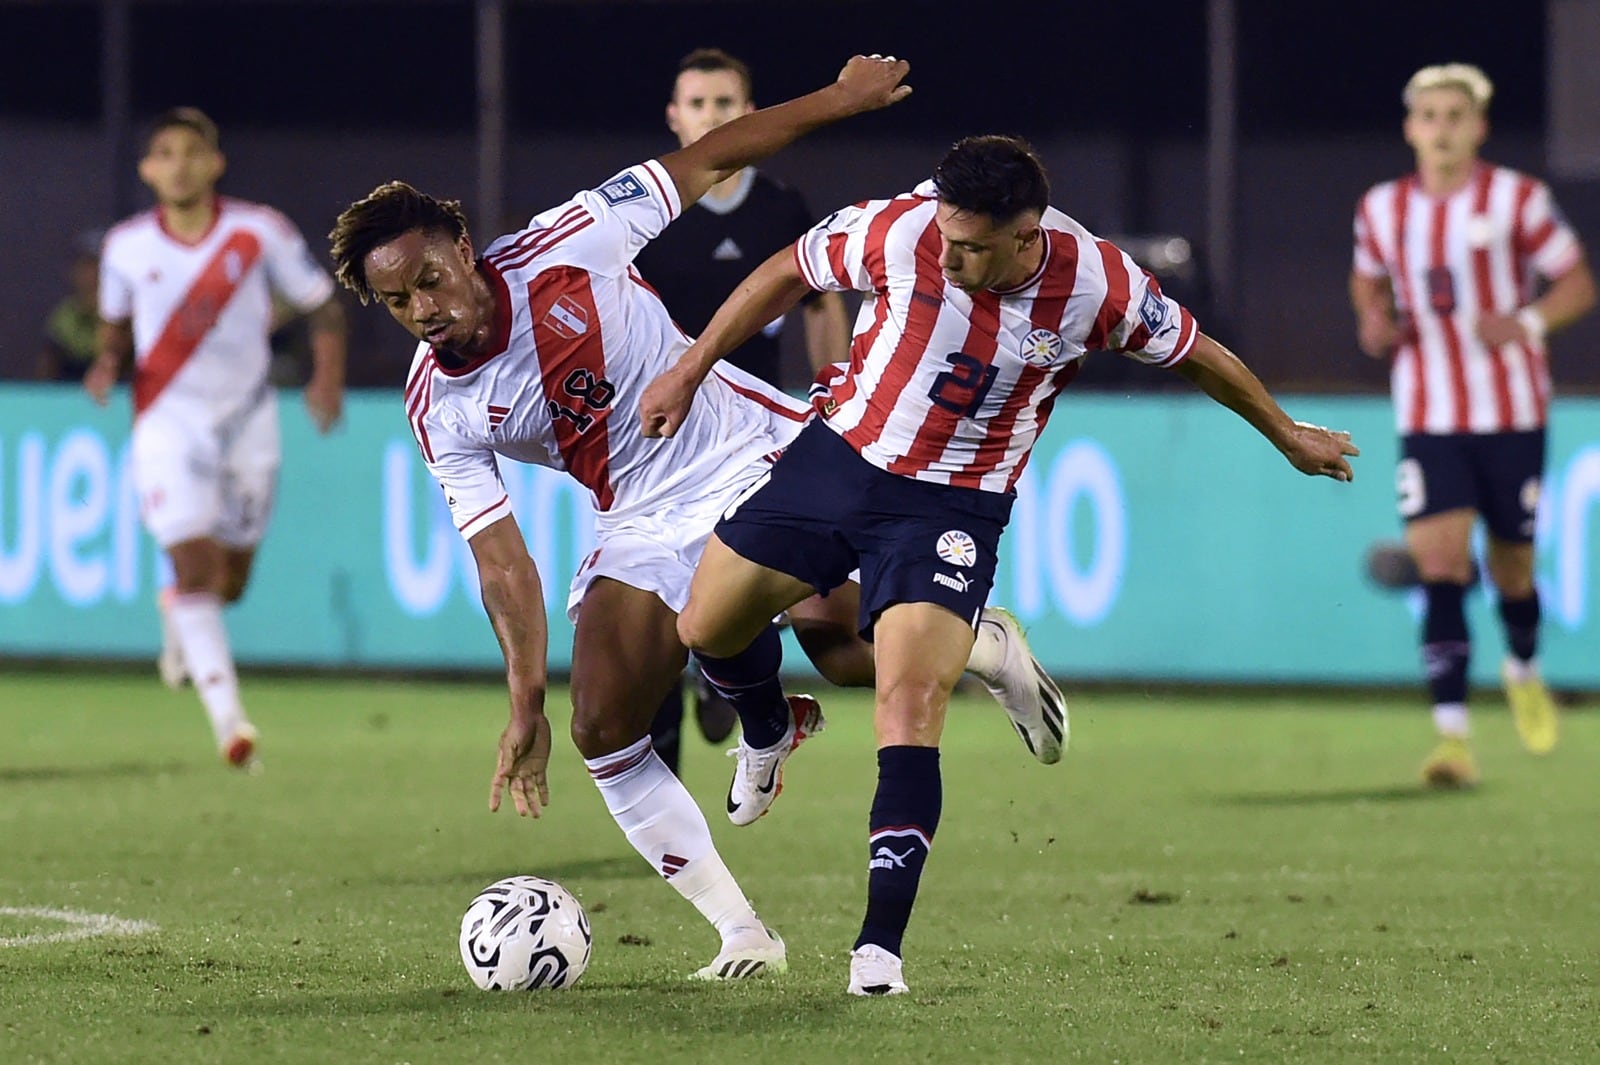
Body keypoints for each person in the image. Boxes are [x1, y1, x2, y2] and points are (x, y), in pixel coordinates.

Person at [640, 134, 1359, 995]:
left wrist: (1287, 434)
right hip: (839, 458)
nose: (949, 257)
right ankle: (788, 721)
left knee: (908, 701)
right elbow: (789, 270)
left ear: (1027, 236)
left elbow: (1198, 351)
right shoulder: (902, 230)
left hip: (951, 505)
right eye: (947, 236)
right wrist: (691, 367)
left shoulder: (1099, 284)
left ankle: (879, 951)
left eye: (972, 246)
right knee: (707, 626)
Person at [1349, 63, 1596, 788]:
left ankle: (1523, 665)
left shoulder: (1518, 198)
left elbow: (1577, 282)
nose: (1442, 129)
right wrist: (1373, 318)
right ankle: (1452, 738)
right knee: (1441, 566)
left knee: (1512, 567)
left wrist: (1526, 322)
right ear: (1410, 128)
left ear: (1479, 127)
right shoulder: (1382, 208)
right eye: (1429, 116)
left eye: (1455, 116)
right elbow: (1368, 278)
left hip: (1512, 411)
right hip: (1429, 414)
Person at [85, 107, 348, 769]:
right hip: (166, 422)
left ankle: (177, 610)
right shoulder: (125, 246)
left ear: (216, 163)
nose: (179, 165)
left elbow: (322, 305)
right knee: (196, 566)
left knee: (229, 582)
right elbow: (114, 323)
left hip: (248, 418)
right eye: (165, 153)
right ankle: (231, 724)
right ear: (148, 170)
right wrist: (107, 362)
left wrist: (326, 380)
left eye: (191, 152)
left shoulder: (257, 232)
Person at [633, 46, 853, 775]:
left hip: (749, 445)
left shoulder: (781, 208)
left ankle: (726, 671)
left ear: (751, 114)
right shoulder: (648, 216)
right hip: (658, 445)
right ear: (674, 116)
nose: (711, 117)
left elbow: (821, 303)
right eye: (697, 104)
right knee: (653, 616)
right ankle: (672, 761)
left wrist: (836, 395)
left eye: (724, 103)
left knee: (740, 591)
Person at [37, 230, 105, 382]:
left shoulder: (130, 319)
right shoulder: (64, 317)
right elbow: (47, 373)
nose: (94, 275)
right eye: (87, 265)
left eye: (100, 266)